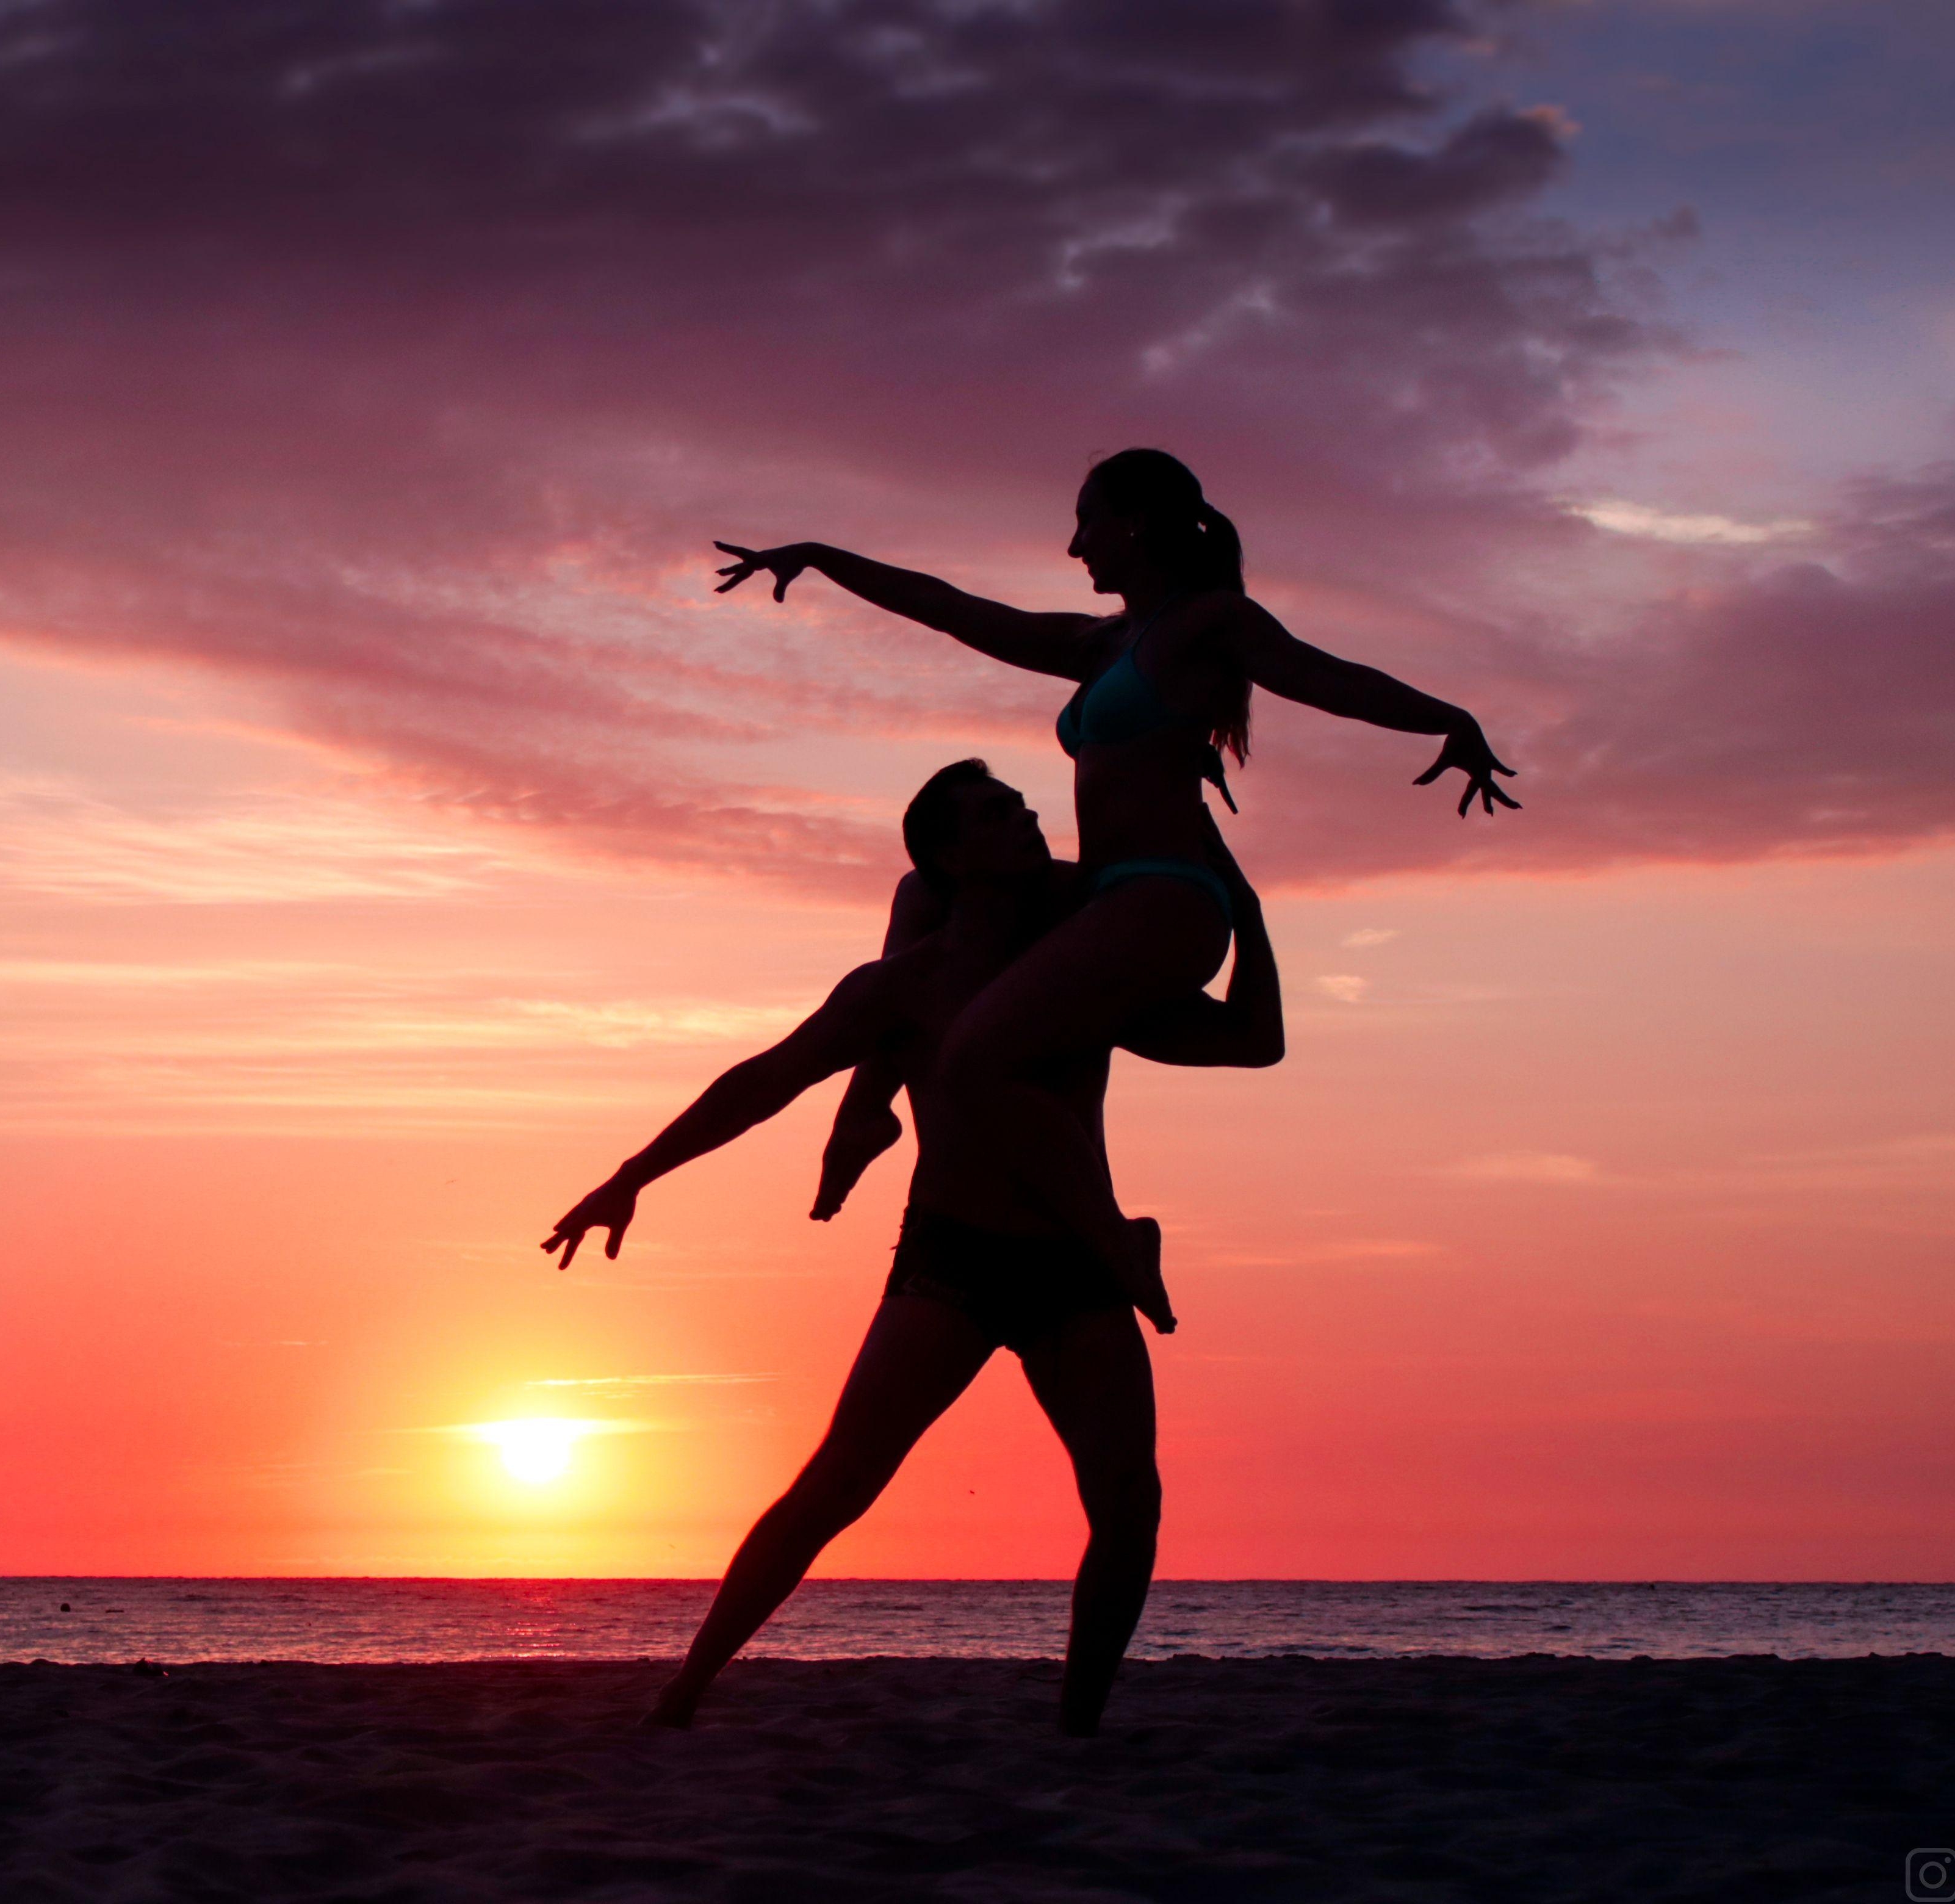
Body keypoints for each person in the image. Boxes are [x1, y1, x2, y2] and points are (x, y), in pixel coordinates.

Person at [543, 761, 1282, 1733]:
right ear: (947, 859)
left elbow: (1253, 1040)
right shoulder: (902, 989)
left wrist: (1244, 903)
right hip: (952, 1261)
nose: (1023, 814)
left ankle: (1078, 1729)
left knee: (1128, 1506)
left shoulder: (1079, 973)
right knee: (838, 1483)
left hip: (1076, 1266)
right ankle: (685, 1692)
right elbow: (763, 1080)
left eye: (1021, 803)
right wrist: (631, 1176)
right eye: (993, 812)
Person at [713, 449, 1514, 1324]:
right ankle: (866, 1109)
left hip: (1165, 899)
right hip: (1100, 897)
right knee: (928, 890)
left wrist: (1449, 718)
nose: (1074, 545)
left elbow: (1326, 678)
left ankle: (1117, 1237)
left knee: (977, 1055)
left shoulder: (1211, 622)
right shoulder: (1098, 645)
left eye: (1087, 521)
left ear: (1135, 524)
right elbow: (954, 611)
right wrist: (825, 558)